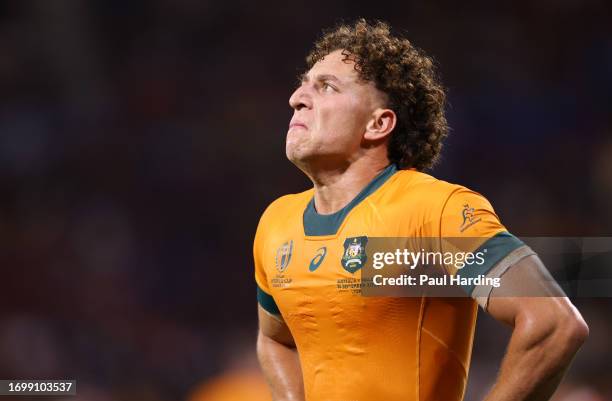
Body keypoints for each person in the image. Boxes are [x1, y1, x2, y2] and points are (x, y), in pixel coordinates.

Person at [253, 19, 588, 401]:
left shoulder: (434, 209)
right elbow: (275, 340)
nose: (297, 97)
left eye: (325, 86)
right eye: (304, 83)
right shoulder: (276, 223)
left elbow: (554, 324)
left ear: (378, 124)